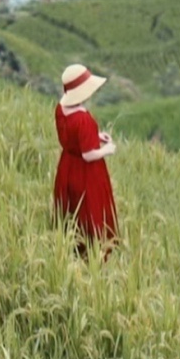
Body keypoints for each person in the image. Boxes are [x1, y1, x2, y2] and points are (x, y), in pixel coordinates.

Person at [51, 64, 117, 250]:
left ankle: (67, 249)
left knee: (71, 211)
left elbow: (74, 138)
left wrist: (95, 136)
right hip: (85, 172)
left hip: (67, 166)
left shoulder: (61, 109)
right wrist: (107, 150)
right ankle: (94, 256)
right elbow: (88, 155)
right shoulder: (83, 119)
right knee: (91, 211)